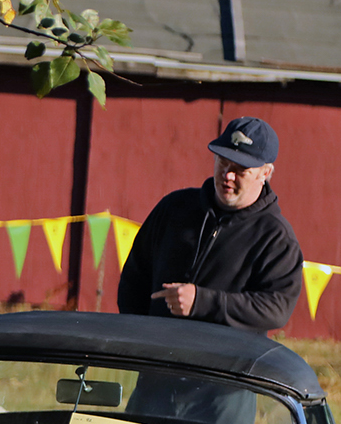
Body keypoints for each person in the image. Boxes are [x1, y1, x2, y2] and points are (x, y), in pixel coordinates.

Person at [116, 115, 303, 331]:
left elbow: (276, 309)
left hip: (225, 354)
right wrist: (140, 334)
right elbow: (134, 278)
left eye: (241, 169)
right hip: (155, 348)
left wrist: (202, 302)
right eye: (223, 161)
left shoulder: (276, 238)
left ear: (265, 173)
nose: (228, 175)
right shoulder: (174, 208)